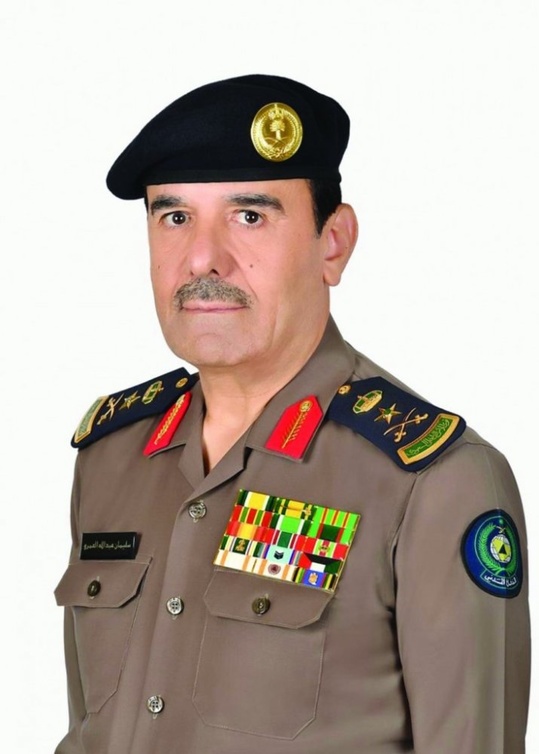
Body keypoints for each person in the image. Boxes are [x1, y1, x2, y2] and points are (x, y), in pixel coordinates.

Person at [54, 74, 530, 754]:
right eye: (174, 217)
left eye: (249, 216)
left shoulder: (434, 482)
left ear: (332, 243)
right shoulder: (112, 456)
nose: (202, 258)